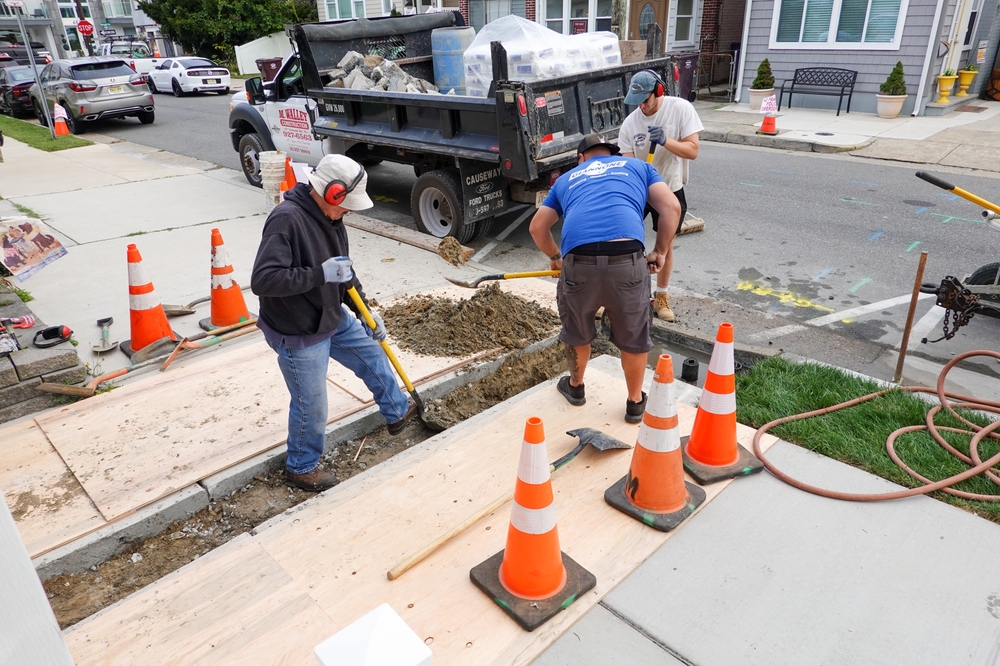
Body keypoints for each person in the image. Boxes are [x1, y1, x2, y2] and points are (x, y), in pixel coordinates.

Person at [251, 154, 416, 492]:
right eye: (346, 205)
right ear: (332, 193)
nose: (350, 212)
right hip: (297, 328)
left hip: (330, 314)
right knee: (312, 405)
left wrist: (366, 313)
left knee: (372, 355)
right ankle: (301, 466)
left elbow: (344, 272)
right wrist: (317, 275)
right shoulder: (287, 219)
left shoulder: (332, 218)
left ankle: (398, 412)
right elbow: (264, 280)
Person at [529, 133, 680, 422]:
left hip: (578, 262)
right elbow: (671, 208)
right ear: (612, 155)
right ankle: (635, 403)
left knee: (577, 329)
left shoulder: (567, 179)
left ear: (581, 158)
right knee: (634, 335)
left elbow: (537, 228)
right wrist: (660, 251)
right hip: (627, 259)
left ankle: (575, 388)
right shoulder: (637, 167)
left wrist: (555, 257)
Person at [618, 70, 704, 323]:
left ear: (659, 91)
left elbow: (692, 150)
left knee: (664, 245)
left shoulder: (681, 109)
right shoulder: (630, 124)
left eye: (645, 99)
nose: (641, 106)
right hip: (639, 189)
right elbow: (628, 163)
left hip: (670, 187)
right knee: (622, 240)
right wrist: (643, 179)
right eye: (637, 101)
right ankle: (616, 294)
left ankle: (662, 296)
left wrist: (666, 141)